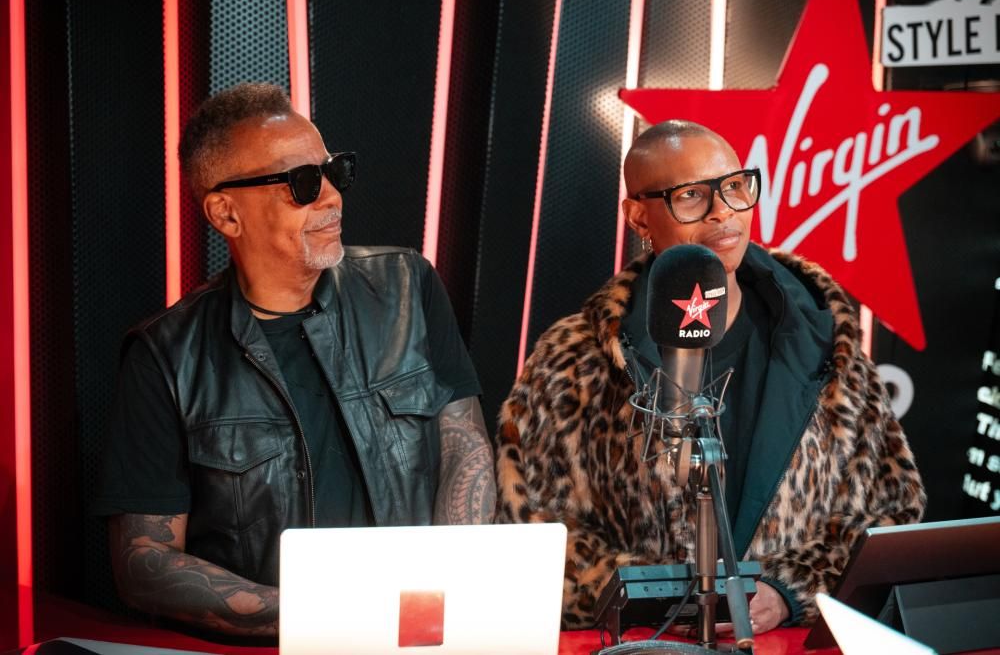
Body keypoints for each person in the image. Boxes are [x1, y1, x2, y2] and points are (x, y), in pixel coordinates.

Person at [93, 82, 495, 637]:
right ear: (226, 213)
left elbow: (465, 449)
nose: (331, 198)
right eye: (301, 183)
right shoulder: (164, 355)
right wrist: (326, 617)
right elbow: (145, 563)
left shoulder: (408, 286)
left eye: (334, 172)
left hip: (421, 638)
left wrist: (439, 603)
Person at [495, 120, 925, 634]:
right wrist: (664, 600)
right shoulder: (574, 358)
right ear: (639, 216)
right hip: (644, 645)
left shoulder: (826, 339)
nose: (724, 211)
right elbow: (533, 530)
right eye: (691, 195)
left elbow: (891, 512)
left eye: (735, 186)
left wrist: (788, 592)